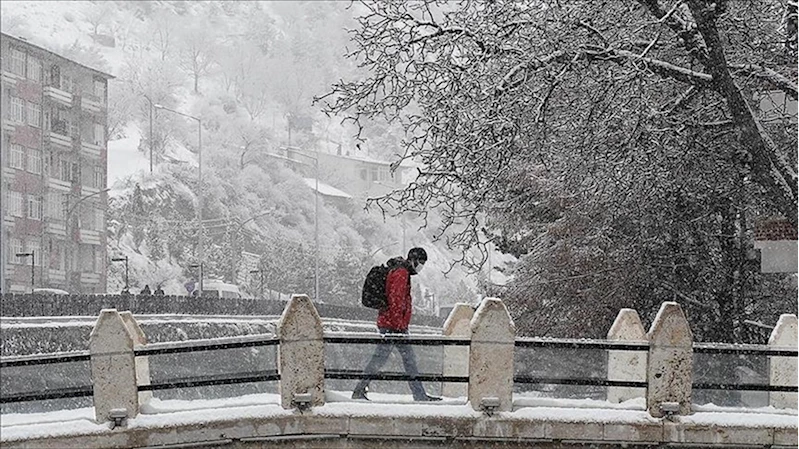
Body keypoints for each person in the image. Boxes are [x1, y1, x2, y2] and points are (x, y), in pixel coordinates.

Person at [352, 247, 441, 402]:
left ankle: (418, 394)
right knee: (399, 360)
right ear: (412, 260)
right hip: (393, 325)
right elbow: (396, 301)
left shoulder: (401, 271)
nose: (421, 266)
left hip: (393, 324)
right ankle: (418, 395)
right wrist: (398, 325)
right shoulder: (401, 273)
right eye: (420, 262)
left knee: (390, 359)